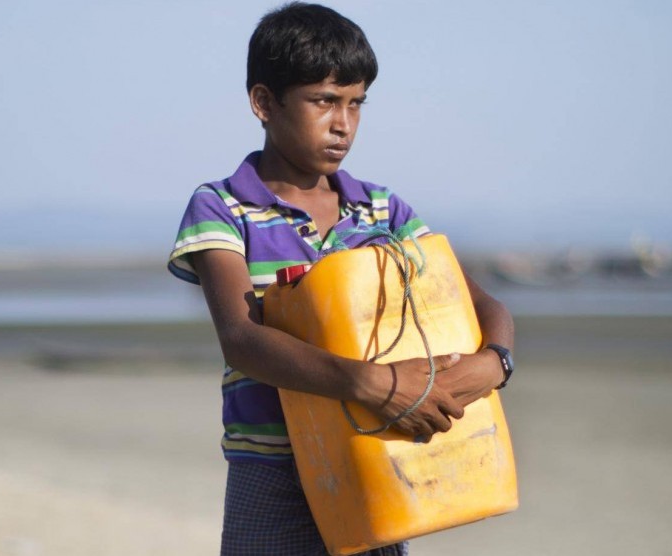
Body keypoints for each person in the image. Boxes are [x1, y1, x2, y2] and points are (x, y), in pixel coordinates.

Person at [167, 3, 515, 554]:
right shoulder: (223, 206)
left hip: (379, 455)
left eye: (356, 103)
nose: (343, 124)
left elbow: (482, 306)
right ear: (264, 102)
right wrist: (375, 385)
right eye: (324, 101)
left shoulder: (382, 211)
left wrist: (493, 364)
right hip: (271, 470)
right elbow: (242, 339)